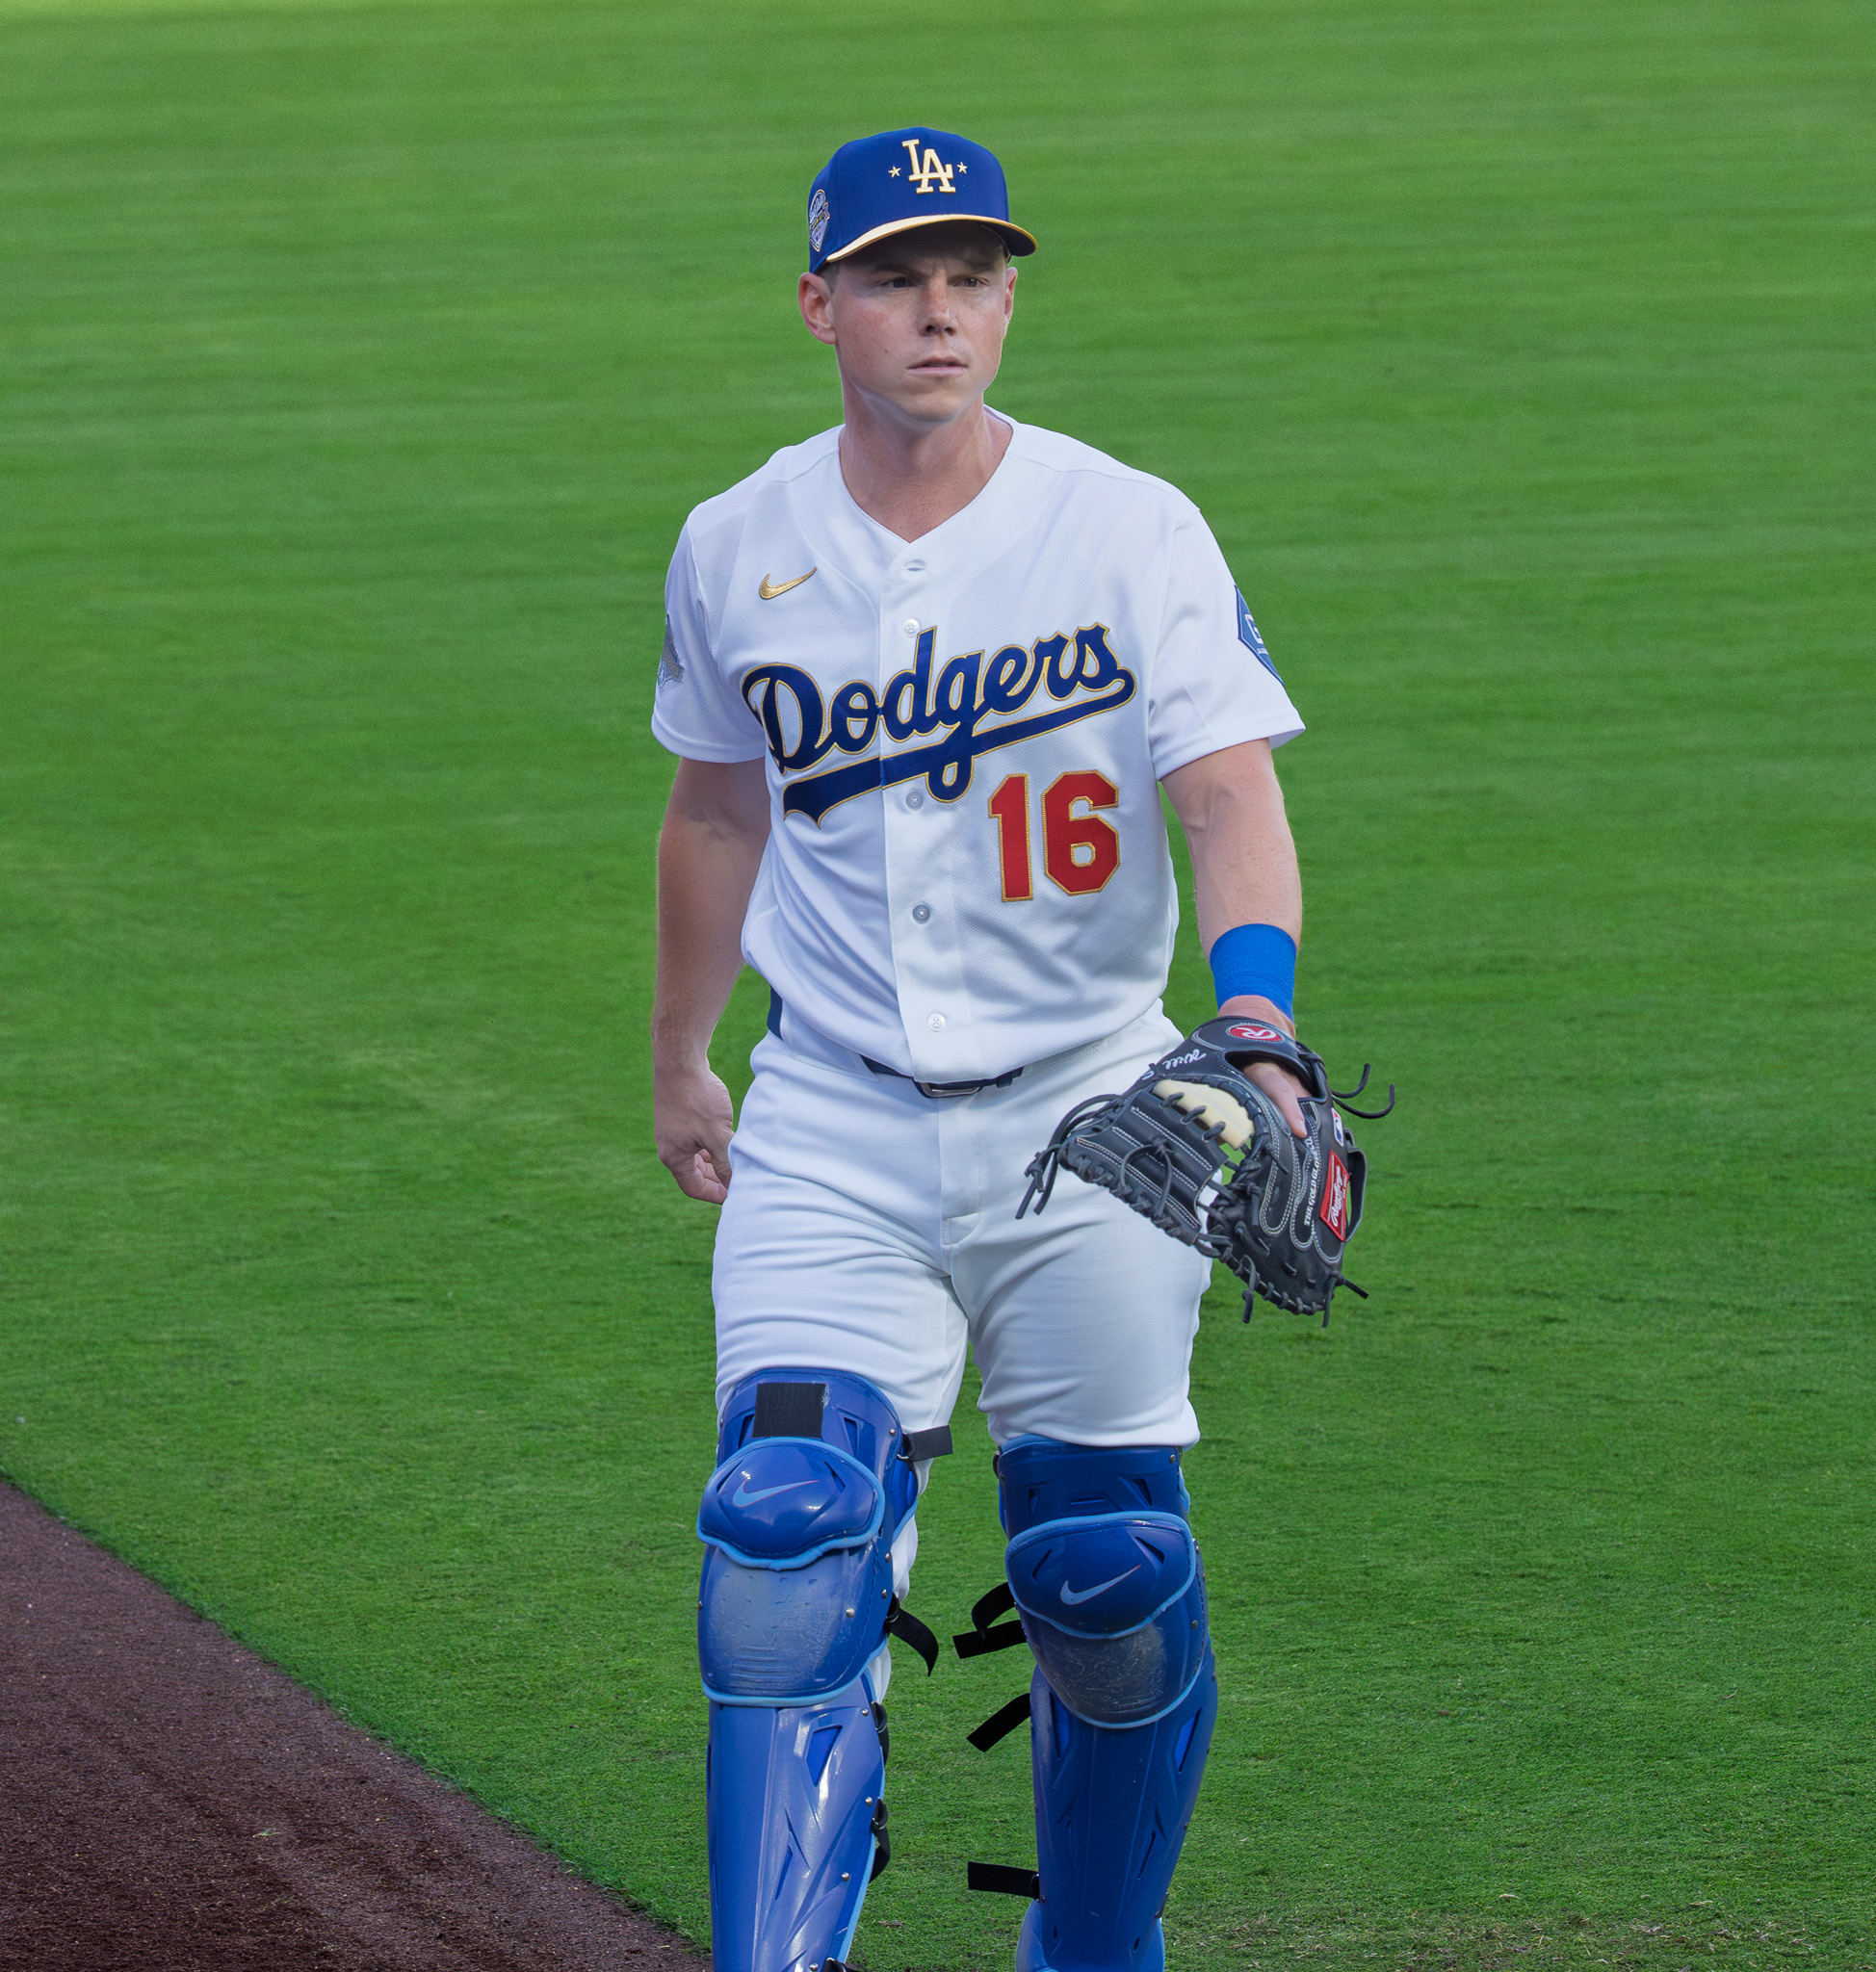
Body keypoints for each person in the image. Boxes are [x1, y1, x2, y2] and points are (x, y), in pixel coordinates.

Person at [651, 125, 1311, 1972]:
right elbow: (717, 812)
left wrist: (1256, 1021)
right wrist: (682, 1054)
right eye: (896, 279)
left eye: (974, 278)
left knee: (1109, 1570)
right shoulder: (734, 542)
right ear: (820, 306)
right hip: (829, 1124)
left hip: (1095, 1126)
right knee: (782, 1548)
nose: (940, 311)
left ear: (1008, 304)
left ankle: (1091, 1951)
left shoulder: (1129, 524)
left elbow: (1226, 793)